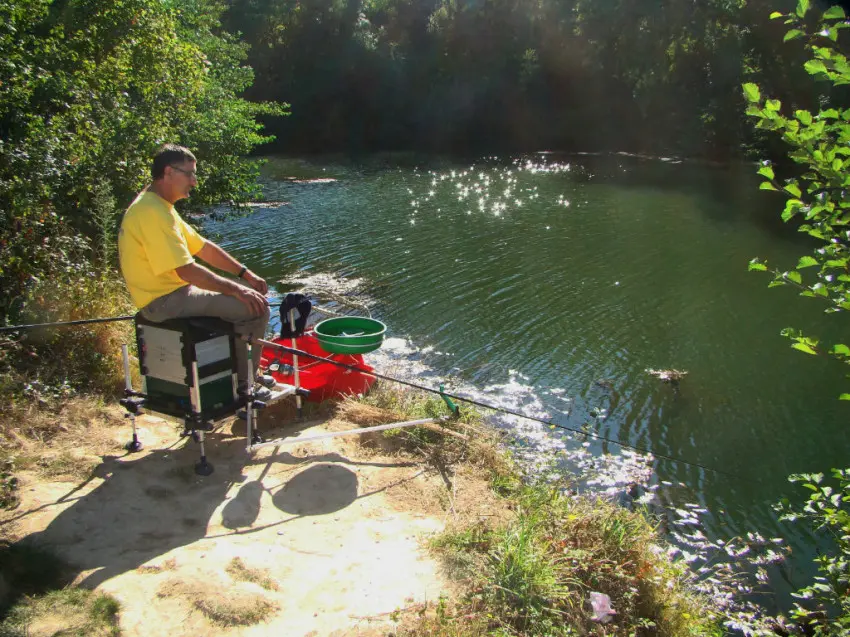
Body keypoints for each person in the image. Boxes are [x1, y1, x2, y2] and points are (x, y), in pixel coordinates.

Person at [118, 144, 275, 400]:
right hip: (164, 300)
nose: (194, 181)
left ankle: (240, 373)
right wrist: (237, 289)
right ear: (168, 172)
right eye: (189, 173)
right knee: (255, 308)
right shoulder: (151, 212)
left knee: (244, 298)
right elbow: (186, 270)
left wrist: (245, 274)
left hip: (173, 294)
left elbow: (203, 248)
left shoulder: (160, 206)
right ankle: (247, 385)